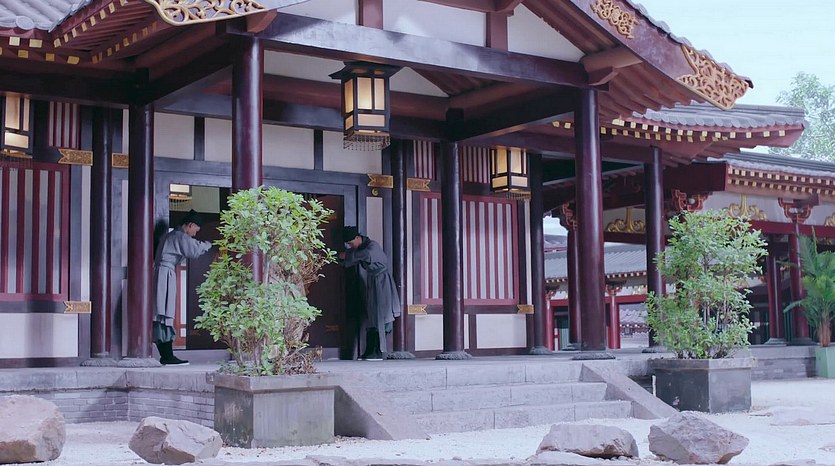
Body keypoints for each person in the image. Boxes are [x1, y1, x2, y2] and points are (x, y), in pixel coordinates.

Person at [152, 209, 212, 365]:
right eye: (195, 230)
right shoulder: (179, 236)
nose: (195, 234)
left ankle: (166, 354)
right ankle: (167, 356)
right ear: (190, 225)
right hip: (165, 275)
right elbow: (195, 249)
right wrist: (210, 244)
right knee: (164, 313)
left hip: (162, 273)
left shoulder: (171, 236)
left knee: (162, 314)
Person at [340, 226, 401, 361]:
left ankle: (378, 351)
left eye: (350, 243)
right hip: (374, 282)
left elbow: (367, 255)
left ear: (357, 238)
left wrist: (347, 255)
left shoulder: (372, 246)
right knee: (372, 316)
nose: (350, 246)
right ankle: (369, 351)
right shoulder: (360, 249)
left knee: (381, 315)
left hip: (382, 283)